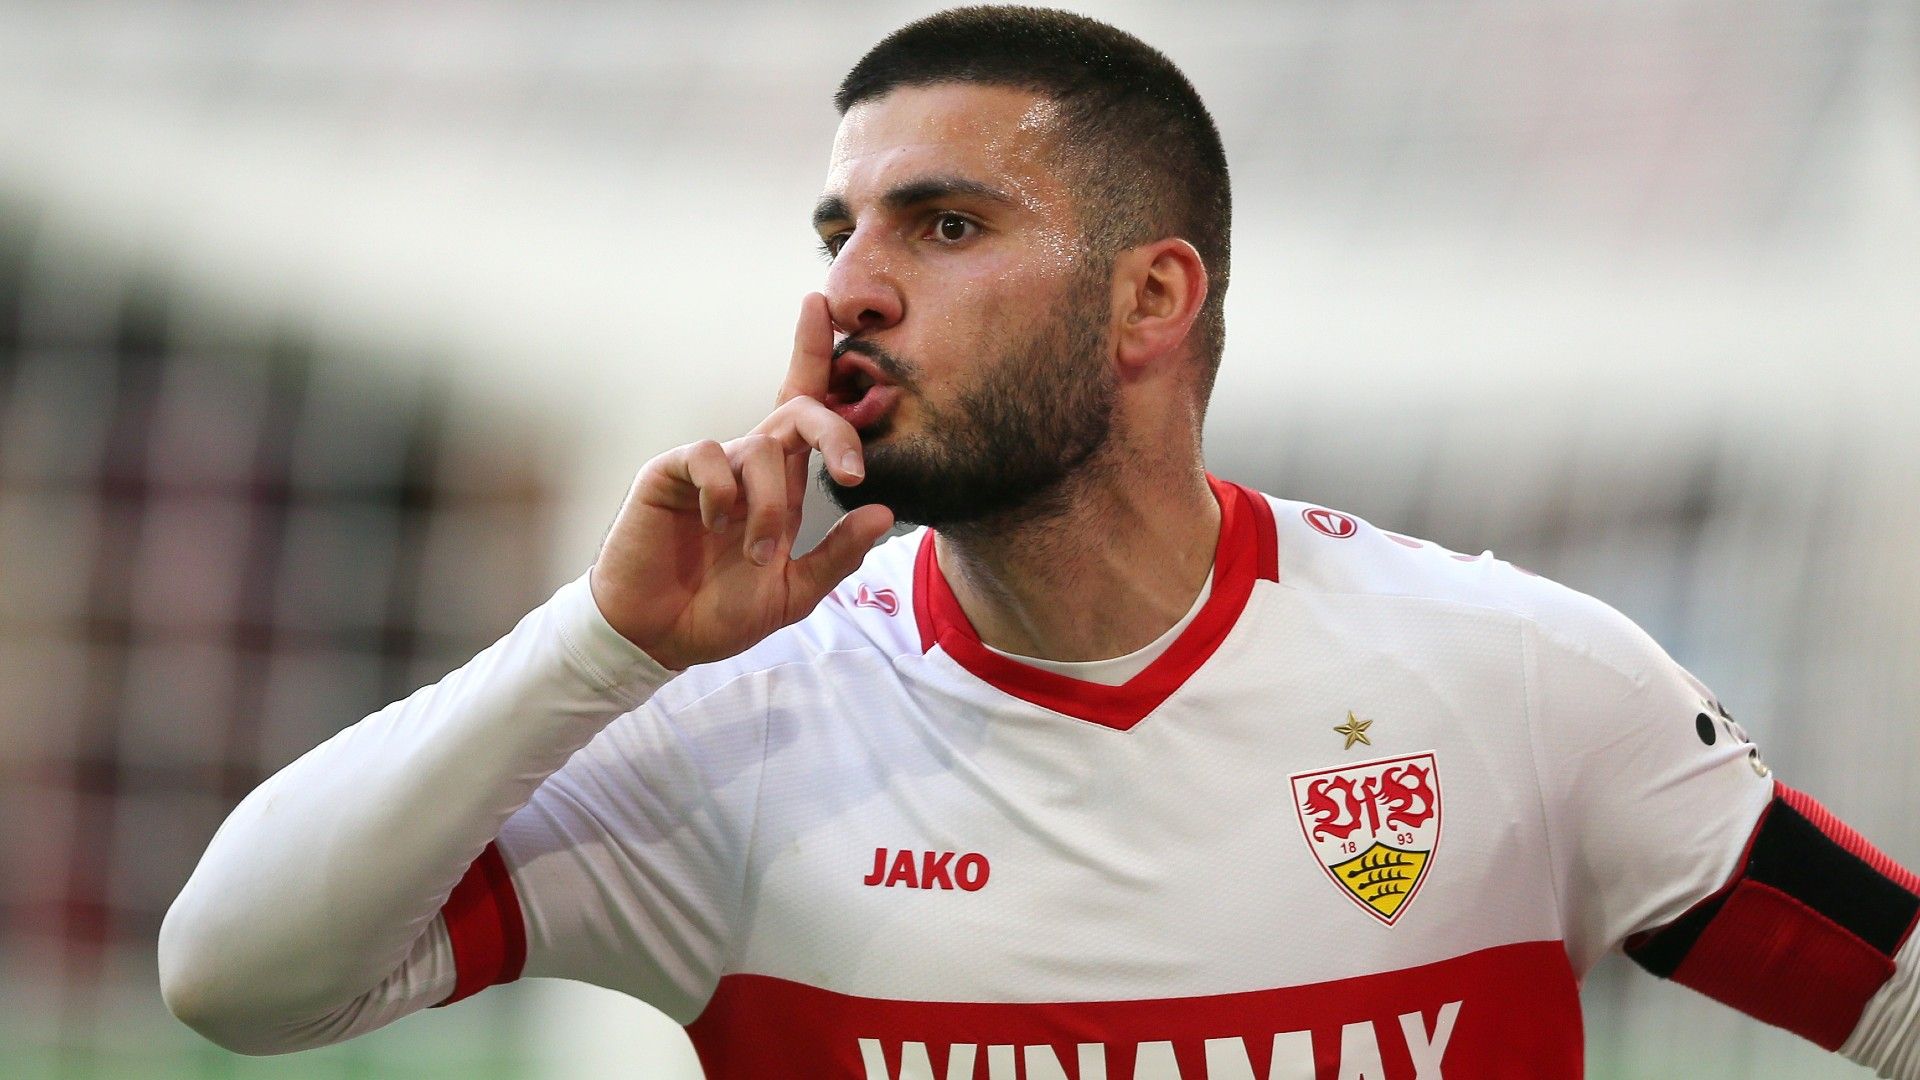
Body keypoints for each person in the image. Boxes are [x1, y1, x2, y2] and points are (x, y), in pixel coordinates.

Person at [159, 7, 1920, 1078]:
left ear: (1152, 299)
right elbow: (235, 982)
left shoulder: (1512, 678)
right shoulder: (727, 737)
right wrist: (604, 649)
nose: (850, 290)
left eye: (943, 225)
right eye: (840, 231)